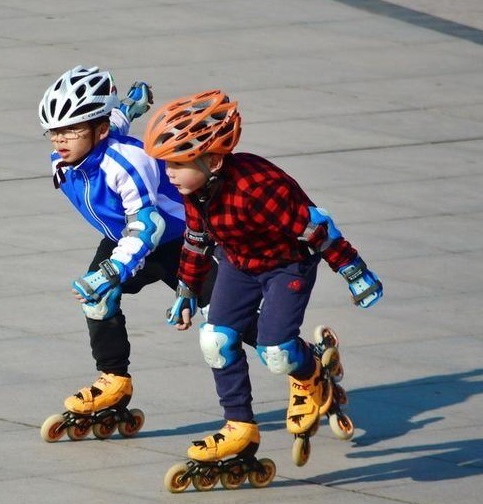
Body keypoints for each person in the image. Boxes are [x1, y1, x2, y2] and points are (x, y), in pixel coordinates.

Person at [142, 89, 383, 464]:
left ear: (212, 160)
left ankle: (311, 373)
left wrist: (354, 271)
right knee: (215, 340)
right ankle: (239, 426)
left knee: (276, 353)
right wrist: (186, 289)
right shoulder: (195, 190)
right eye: (166, 163)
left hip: (287, 265)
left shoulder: (256, 188)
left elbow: (316, 229)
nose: (168, 172)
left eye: (177, 163)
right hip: (239, 263)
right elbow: (196, 239)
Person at [38, 65, 189, 424]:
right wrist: (128, 109)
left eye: (71, 130)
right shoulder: (71, 156)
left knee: (225, 323)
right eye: (54, 131)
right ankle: (114, 380)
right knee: (98, 299)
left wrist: (110, 271)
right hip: (123, 239)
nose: (60, 140)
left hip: (179, 240)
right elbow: (113, 124)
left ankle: (303, 364)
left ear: (98, 130)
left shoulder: (127, 162)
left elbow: (147, 227)